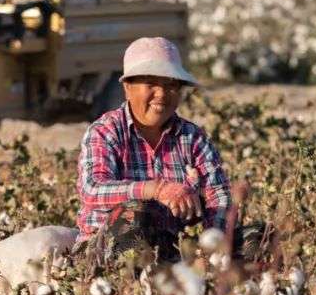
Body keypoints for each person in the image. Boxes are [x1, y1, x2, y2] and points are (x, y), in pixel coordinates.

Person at [77, 37, 252, 263]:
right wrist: (157, 190)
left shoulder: (193, 137)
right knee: (137, 215)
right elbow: (92, 190)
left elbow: (218, 195)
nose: (161, 94)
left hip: (174, 250)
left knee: (257, 239)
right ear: (127, 88)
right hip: (106, 253)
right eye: (151, 84)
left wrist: (213, 240)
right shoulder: (105, 131)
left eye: (170, 85)